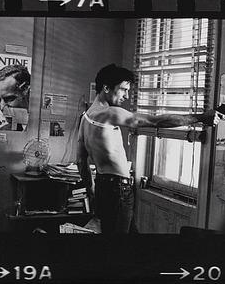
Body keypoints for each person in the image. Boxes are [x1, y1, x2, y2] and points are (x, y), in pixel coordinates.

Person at [75, 61, 215, 232]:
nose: (126, 96)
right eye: (124, 90)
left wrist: (92, 190)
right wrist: (200, 118)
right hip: (119, 189)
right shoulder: (110, 113)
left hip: (104, 186)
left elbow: (81, 160)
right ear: (106, 88)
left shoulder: (86, 117)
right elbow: (155, 121)